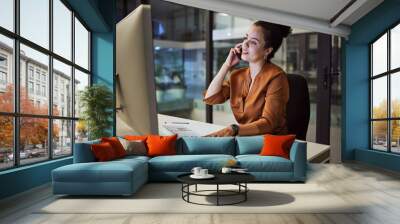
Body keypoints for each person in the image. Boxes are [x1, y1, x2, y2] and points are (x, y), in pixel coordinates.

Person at [203, 21, 291, 137]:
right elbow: (211, 98)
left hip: (270, 143)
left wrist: (233, 129)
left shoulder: (277, 77)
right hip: (245, 139)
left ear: (267, 51)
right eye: (246, 38)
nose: (245, 44)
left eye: (253, 42)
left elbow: (269, 123)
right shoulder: (237, 75)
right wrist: (226, 65)